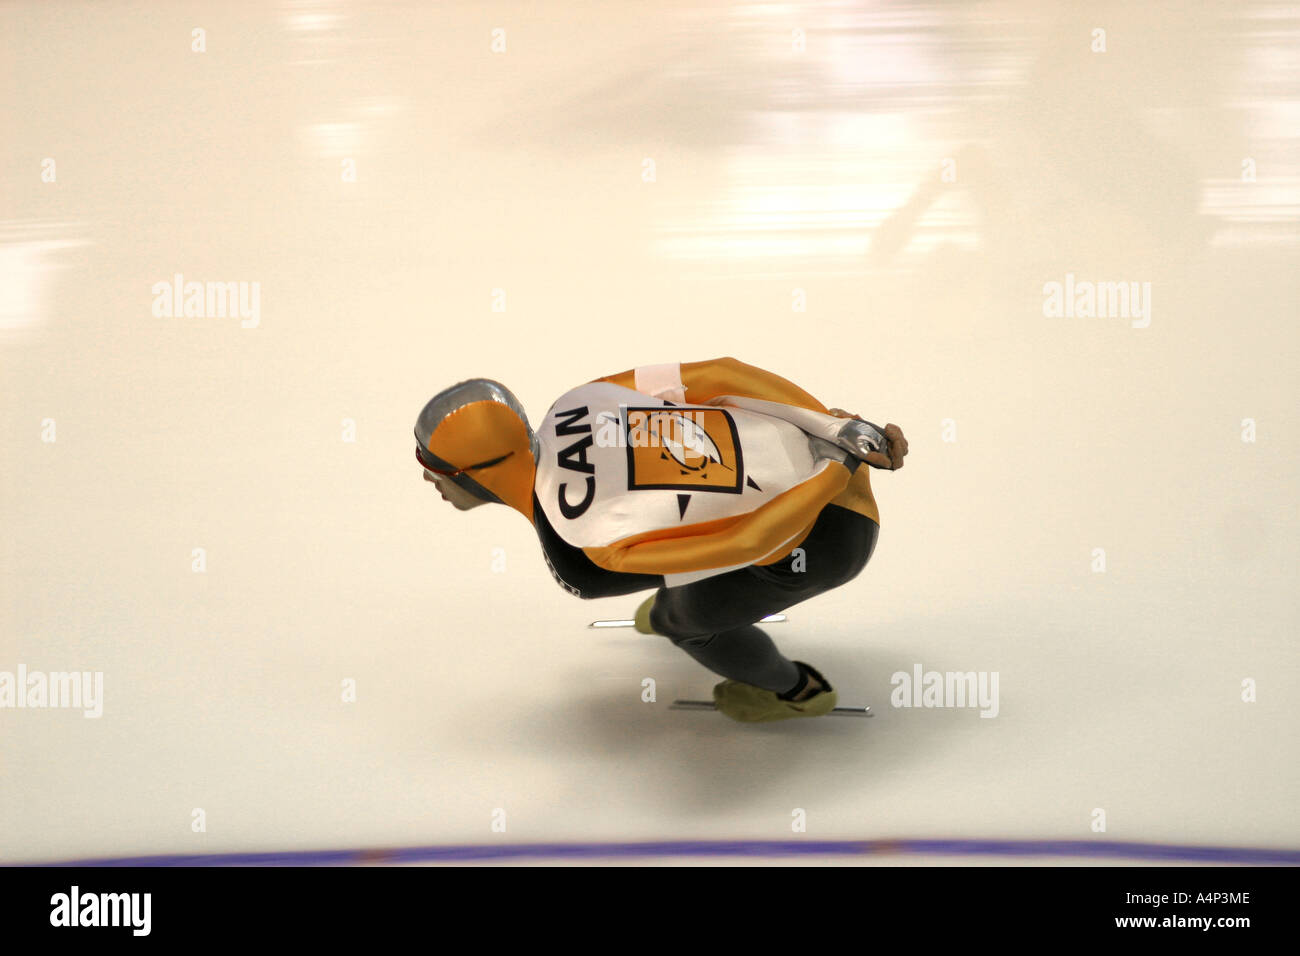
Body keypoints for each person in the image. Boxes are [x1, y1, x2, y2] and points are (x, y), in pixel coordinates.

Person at [414, 357, 907, 722]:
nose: (429, 481)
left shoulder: (585, 548)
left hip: (827, 533)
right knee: (677, 560)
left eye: (433, 468)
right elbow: (720, 373)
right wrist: (833, 428)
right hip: (812, 452)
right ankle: (684, 598)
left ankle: (796, 692)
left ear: (477, 472)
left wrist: (834, 473)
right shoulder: (580, 398)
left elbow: (749, 545)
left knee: (681, 621)